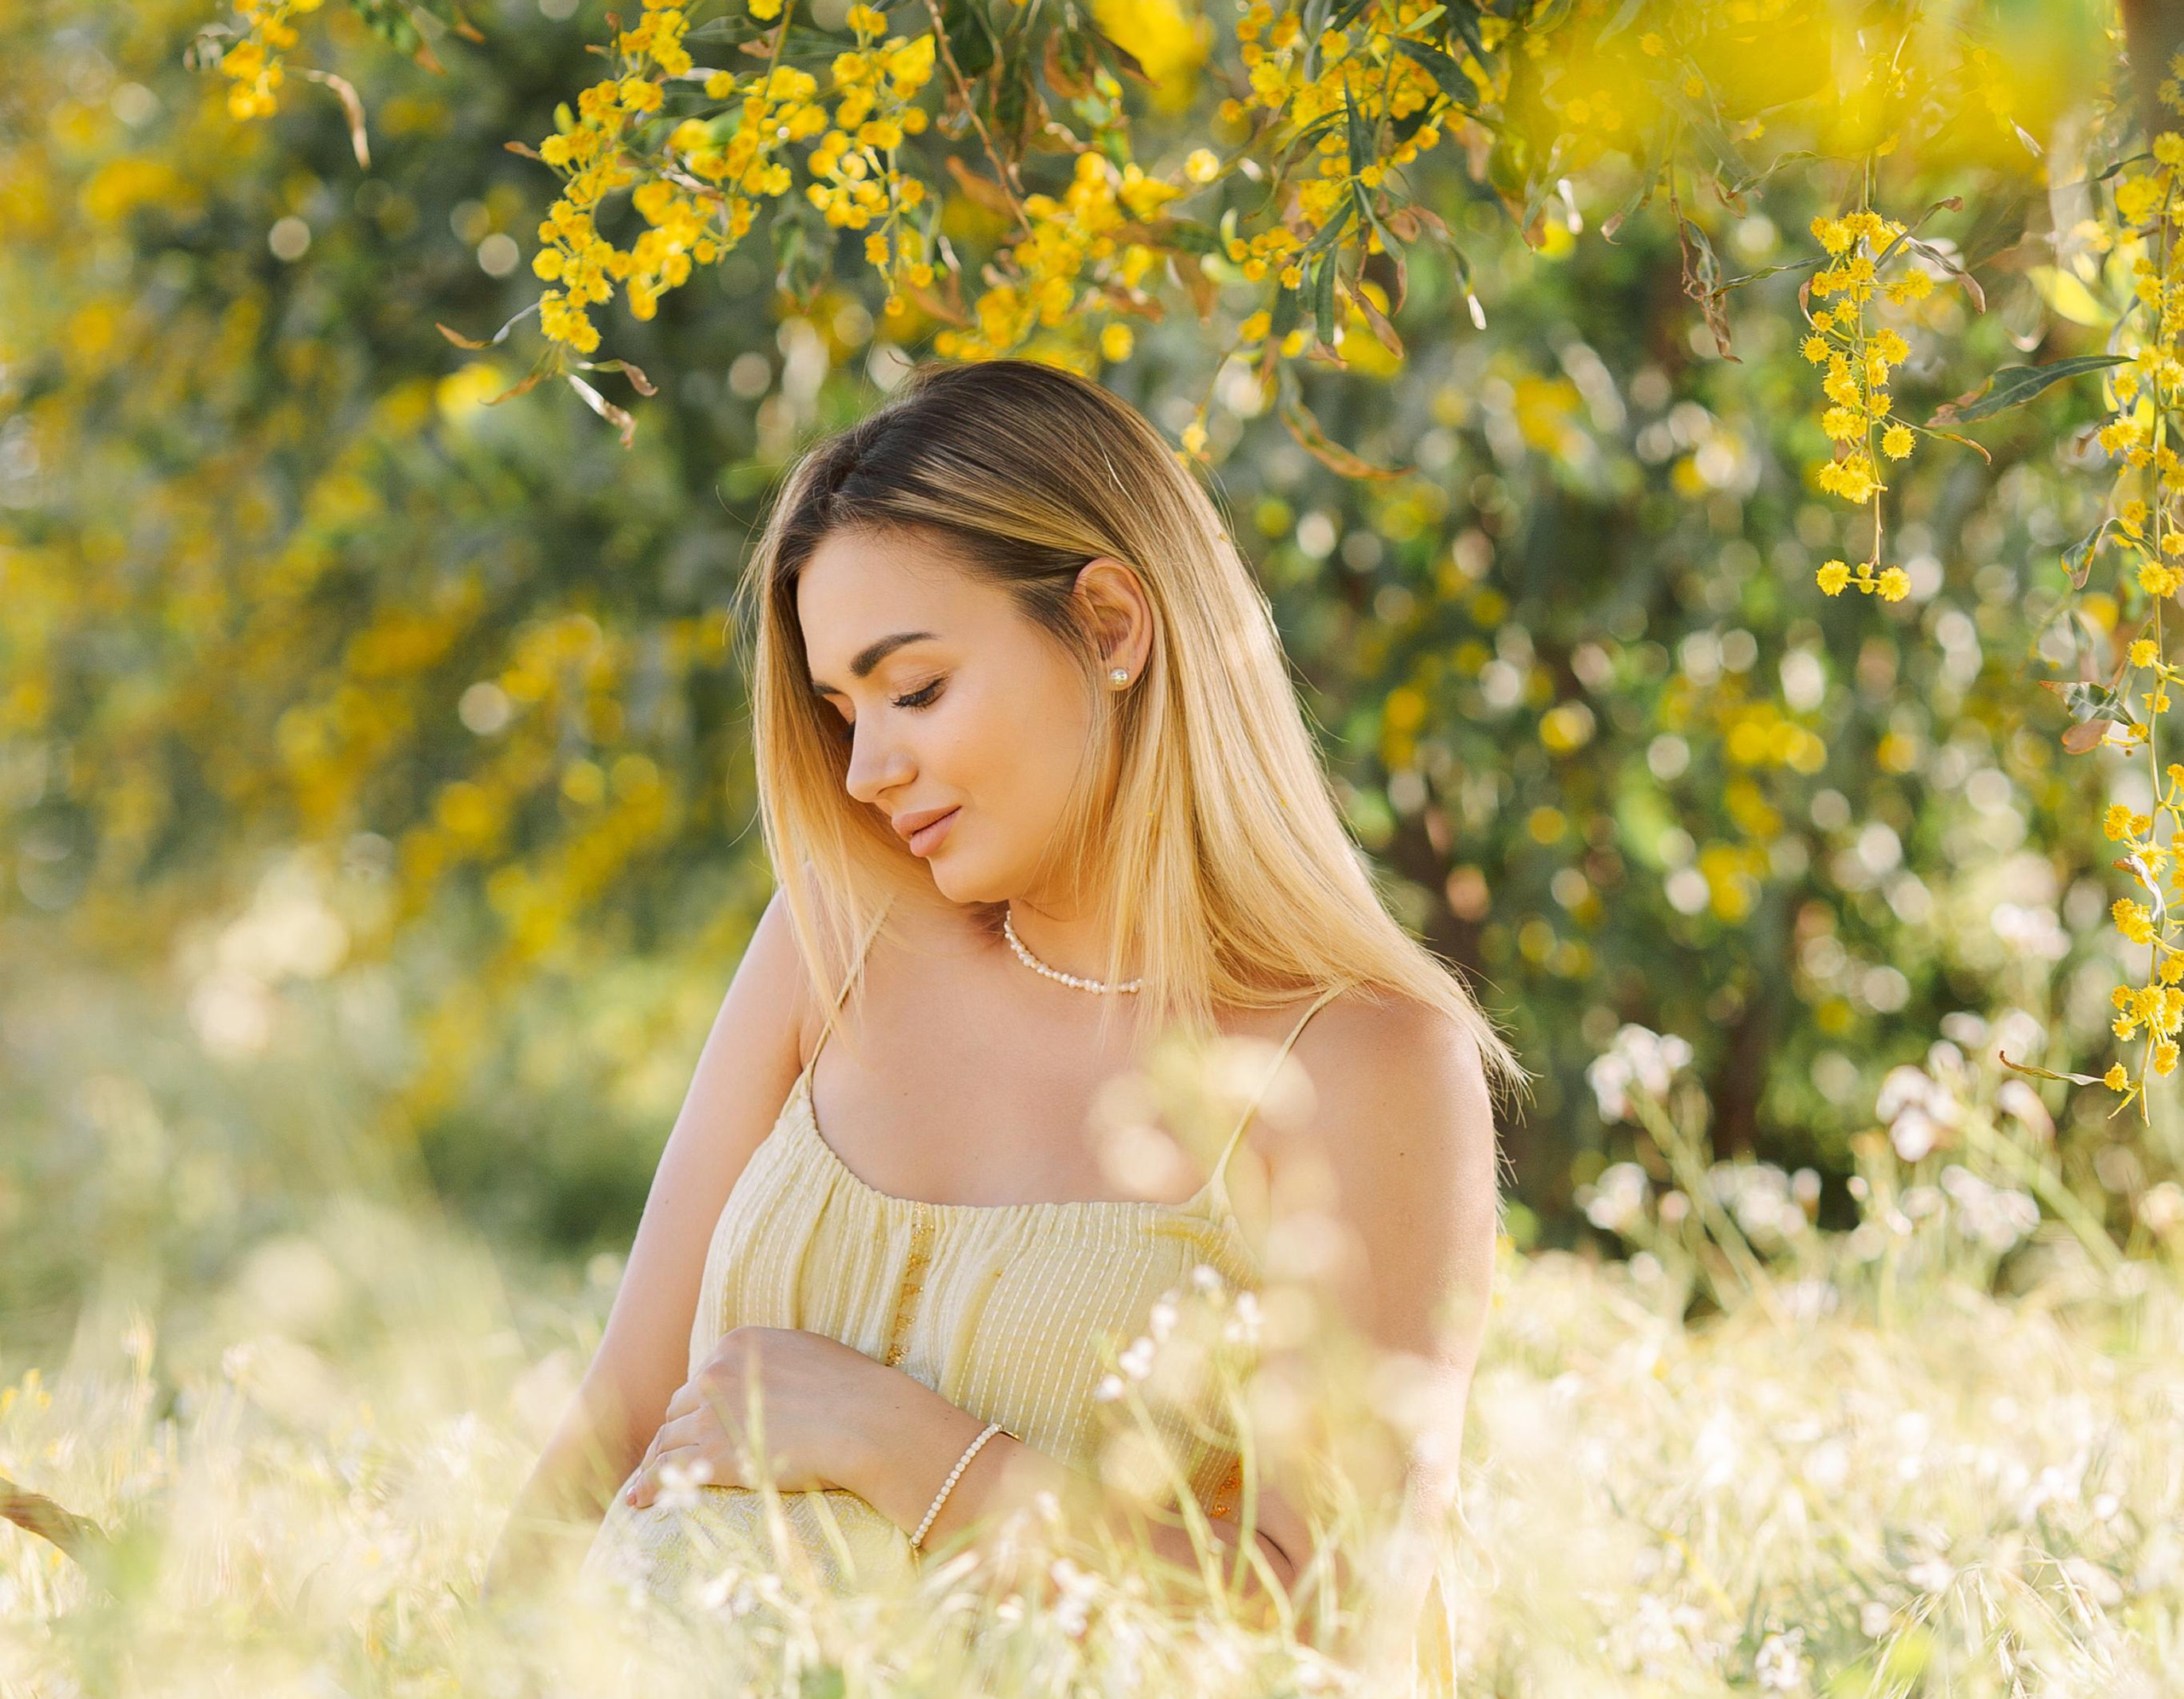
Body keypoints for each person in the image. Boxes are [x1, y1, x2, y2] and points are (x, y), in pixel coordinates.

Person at [497, 357, 1515, 1626]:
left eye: (915, 689)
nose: (867, 768)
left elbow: (1329, 1612)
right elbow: (618, 1420)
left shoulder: (1368, 1061)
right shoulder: (837, 934)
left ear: (1111, 626)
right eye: (842, 710)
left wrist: (902, 1445)